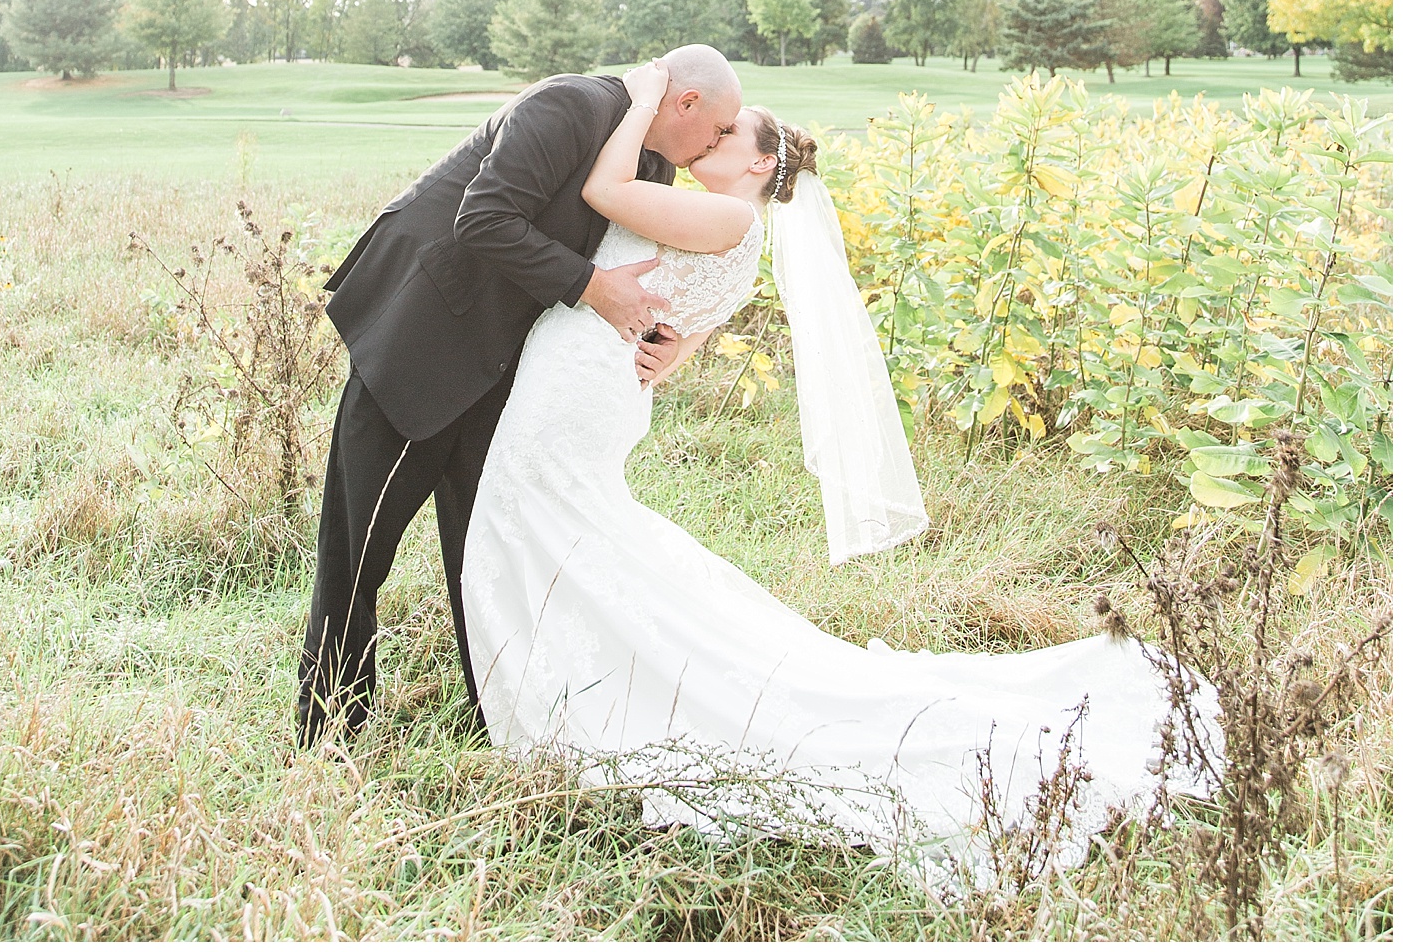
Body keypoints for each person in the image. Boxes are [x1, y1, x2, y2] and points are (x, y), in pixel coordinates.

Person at [461, 61, 1220, 875]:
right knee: (568, 528)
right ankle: (575, 670)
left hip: (575, 390)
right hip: (591, 382)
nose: (709, 140)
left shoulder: (723, 218)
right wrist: (668, 347)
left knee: (540, 516)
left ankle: (579, 687)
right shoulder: (731, 230)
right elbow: (683, 340)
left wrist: (644, 94)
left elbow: (605, 194)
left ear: (759, 164)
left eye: (725, 135)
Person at [297, 44, 742, 744]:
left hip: (508, 377)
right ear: (685, 103)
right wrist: (598, 292)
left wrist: (665, 337)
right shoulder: (566, 105)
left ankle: (497, 721)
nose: (714, 149)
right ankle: (329, 729)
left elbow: (642, 262)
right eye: (718, 131)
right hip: (422, 339)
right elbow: (485, 219)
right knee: (358, 551)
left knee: (484, 557)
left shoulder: (648, 163)